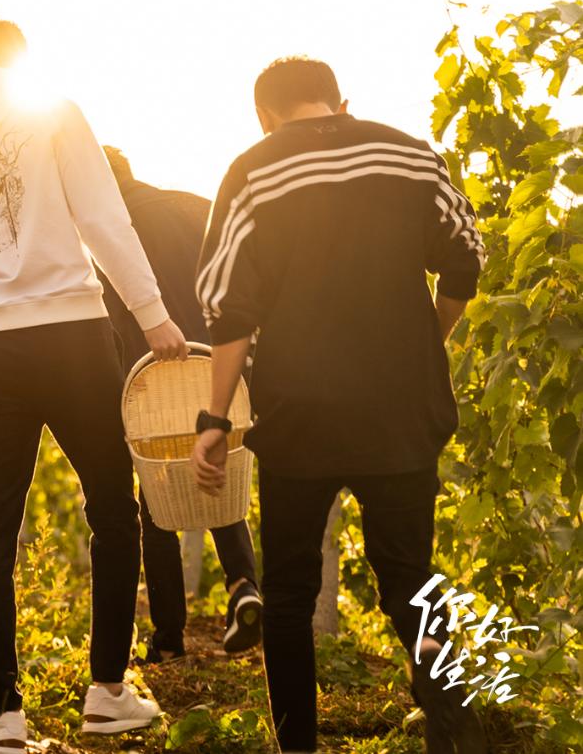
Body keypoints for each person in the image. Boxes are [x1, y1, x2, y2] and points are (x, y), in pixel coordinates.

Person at [0, 15, 187, 753]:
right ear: (19, 64)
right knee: (111, 511)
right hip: (72, 339)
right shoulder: (53, 114)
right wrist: (153, 316)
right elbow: (103, 219)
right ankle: (106, 692)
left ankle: (3, 718)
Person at [190, 57, 487, 753]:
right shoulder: (412, 156)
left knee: (288, 595)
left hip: (299, 413)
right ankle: (458, 733)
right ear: (339, 103)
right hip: (401, 408)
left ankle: (298, 746)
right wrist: (425, 344)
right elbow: (465, 259)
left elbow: (226, 309)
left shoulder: (252, 170)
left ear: (264, 115)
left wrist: (212, 419)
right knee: (411, 580)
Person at [97, 146, 262, 662]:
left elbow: (112, 324)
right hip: (225, 365)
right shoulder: (196, 206)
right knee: (216, 467)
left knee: (158, 497)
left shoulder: (106, 235)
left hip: (155, 376)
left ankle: (168, 638)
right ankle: (243, 587)